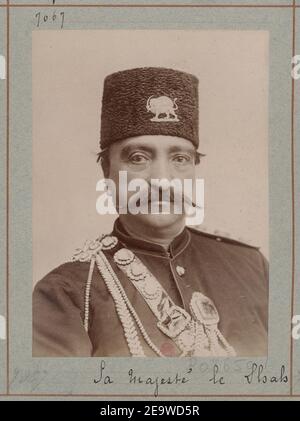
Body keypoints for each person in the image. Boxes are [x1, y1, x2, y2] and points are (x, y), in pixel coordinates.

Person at [33, 67, 268, 357]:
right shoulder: (66, 293)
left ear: (195, 169)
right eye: (138, 158)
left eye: (180, 158)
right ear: (107, 170)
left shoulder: (252, 267)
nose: (162, 179)